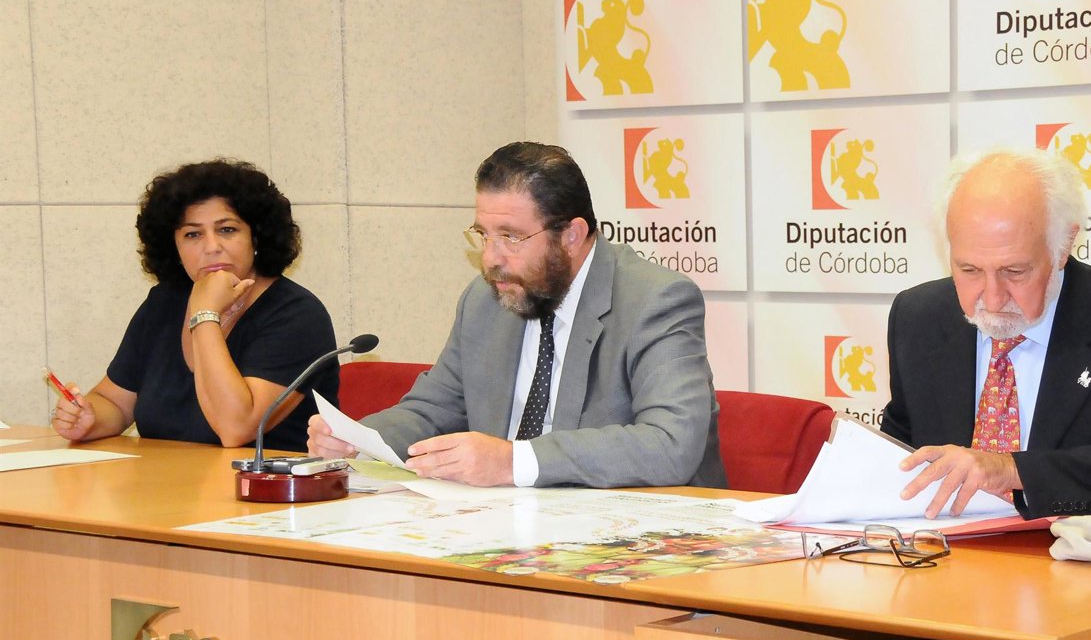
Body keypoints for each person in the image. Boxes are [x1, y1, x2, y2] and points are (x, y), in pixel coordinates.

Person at [308, 141, 725, 489]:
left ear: (572, 235)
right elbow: (432, 411)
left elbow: (671, 445)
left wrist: (513, 461)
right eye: (484, 235)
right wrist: (358, 441)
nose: (491, 259)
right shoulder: (486, 299)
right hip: (509, 525)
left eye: (511, 237)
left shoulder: (654, 299)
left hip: (641, 534)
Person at [881, 147, 1091, 519]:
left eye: (1014, 272)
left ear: (1063, 246)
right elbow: (897, 456)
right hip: (943, 552)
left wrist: (1015, 470)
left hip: (1071, 553)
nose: (992, 297)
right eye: (969, 270)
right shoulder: (918, 317)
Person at [51, 160, 338, 452]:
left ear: (256, 238)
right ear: (174, 248)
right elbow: (115, 402)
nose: (212, 247)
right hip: (169, 478)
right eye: (193, 234)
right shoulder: (164, 303)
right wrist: (88, 419)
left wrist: (204, 314)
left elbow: (235, 429)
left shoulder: (297, 315)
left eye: (227, 229)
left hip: (269, 479)